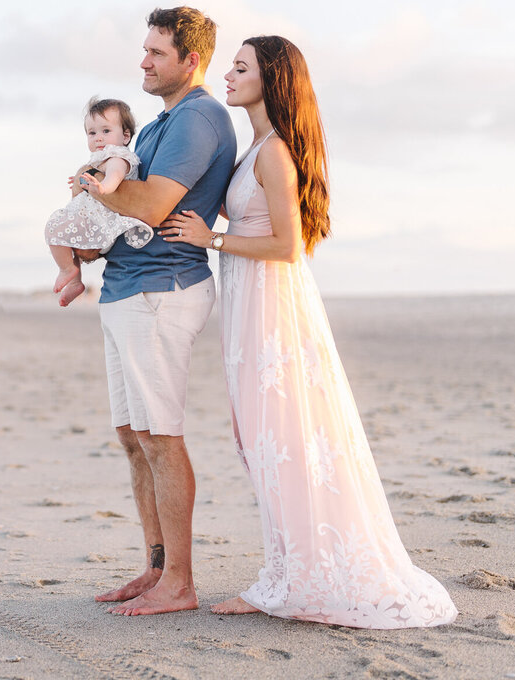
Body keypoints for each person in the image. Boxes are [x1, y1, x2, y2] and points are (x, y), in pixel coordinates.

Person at [161, 35, 458, 628]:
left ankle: (297, 577)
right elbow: (254, 212)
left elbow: (288, 246)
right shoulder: (257, 149)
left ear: (271, 80)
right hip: (250, 303)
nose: (228, 75)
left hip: (272, 306)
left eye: (240, 67)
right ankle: (290, 569)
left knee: (282, 441)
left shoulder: (273, 152)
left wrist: (210, 238)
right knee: (264, 445)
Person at [76, 7, 237, 616]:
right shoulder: (154, 127)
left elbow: (149, 205)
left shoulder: (198, 118)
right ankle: (156, 567)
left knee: (160, 438)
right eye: (143, 50)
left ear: (190, 59)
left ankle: (182, 583)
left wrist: (95, 184)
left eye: (156, 53)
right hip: (124, 289)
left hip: (162, 292)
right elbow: (126, 212)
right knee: (131, 436)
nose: (142, 61)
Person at [45, 97, 153, 307]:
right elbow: (94, 175)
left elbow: (115, 175)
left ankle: (69, 271)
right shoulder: (100, 158)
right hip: (94, 212)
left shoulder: (118, 156)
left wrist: (103, 187)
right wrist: (82, 180)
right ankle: (74, 282)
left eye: (106, 131)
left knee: (54, 229)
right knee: (64, 238)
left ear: (126, 135)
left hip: (103, 217)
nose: (98, 138)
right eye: (92, 133)